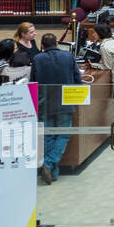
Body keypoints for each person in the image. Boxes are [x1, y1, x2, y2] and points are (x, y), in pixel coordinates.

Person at [31, 33, 82, 185]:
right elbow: (77, 79)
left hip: (44, 103)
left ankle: (53, 172)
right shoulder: (68, 56)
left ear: (42, 45)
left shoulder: (37, 59)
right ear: (57, 44)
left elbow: (33, 82)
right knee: (64, 134)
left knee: (48, 136)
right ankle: (49, 163)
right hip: (64, 101)